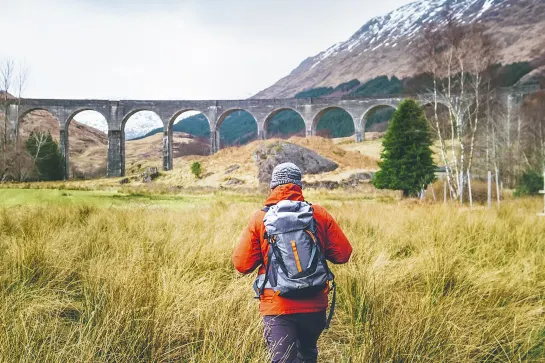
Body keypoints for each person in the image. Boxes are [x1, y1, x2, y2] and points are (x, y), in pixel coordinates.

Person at [232, 162, 352, 363]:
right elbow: (343, 255)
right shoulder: (319, 214)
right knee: (307, 353)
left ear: (273, 186)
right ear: (299, 186)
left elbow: (242, 264)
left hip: (277, 305)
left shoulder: (261, 218)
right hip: (315, 304)